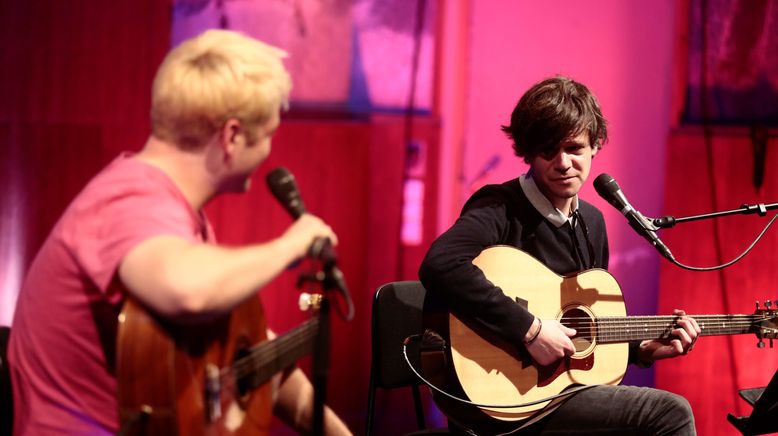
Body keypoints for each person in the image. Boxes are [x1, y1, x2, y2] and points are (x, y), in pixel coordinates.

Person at [8, 29, 352, 435]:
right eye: (270, 134)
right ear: (232, 136)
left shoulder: (170, 212)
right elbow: (187, 290)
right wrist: (290, 245)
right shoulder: (131, 202)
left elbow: (247, 344)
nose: (269, 151)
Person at [418, 76, 701, 435]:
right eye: (548, 151)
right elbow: (441, 264)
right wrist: (531, 330)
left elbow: (581, 335)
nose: (563, 163)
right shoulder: (499, 207)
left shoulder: (592, 224)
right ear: (528, 153)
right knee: (670, 412)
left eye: (574, 148)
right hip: (500, 402)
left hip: (558, 394)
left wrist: (642, 350)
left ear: (596, 145)